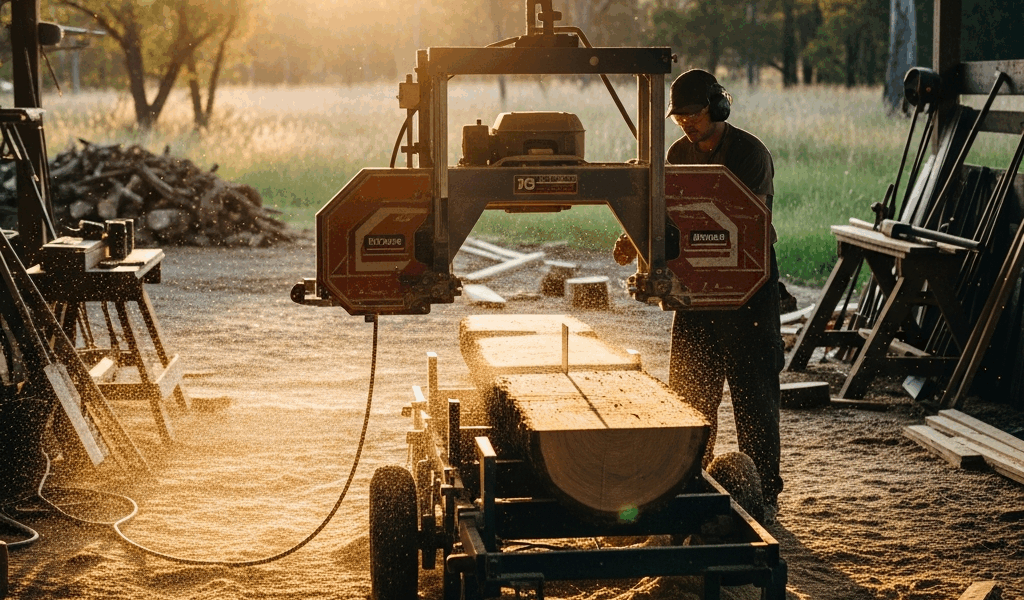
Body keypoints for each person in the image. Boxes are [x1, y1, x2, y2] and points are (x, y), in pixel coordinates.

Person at [613, 69, 784, 520]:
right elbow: (664, 213)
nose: (687, 123)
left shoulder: (750, 155)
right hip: (695, 290)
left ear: (717, 107)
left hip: (747, 287)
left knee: (754, 395)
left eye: (694, 113)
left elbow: (744, 225)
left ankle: (763, 492)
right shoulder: (675, 153)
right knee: (690, 392)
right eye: (680, 116)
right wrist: (635, 239)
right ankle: (689, 481)